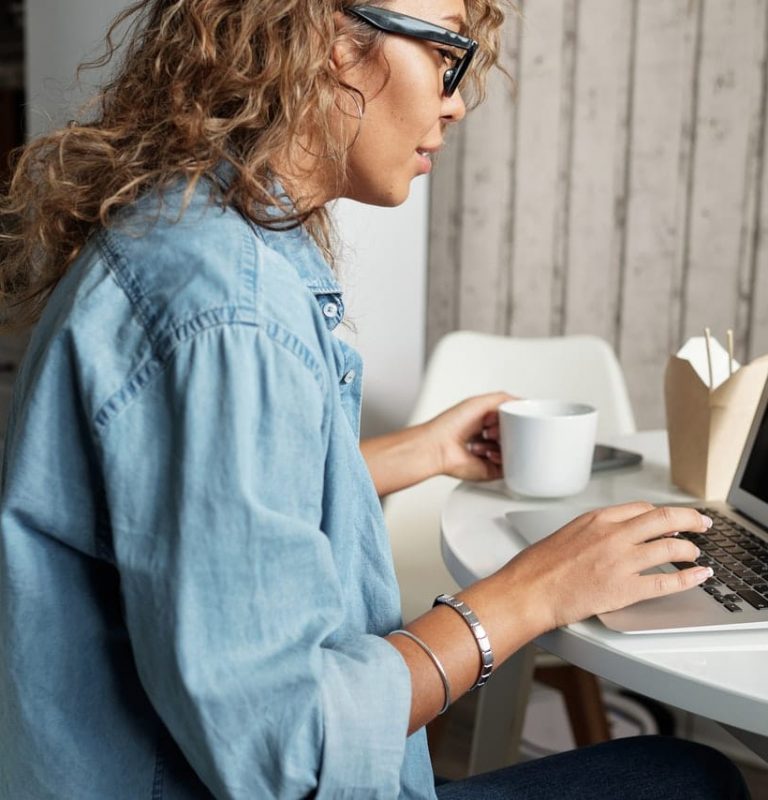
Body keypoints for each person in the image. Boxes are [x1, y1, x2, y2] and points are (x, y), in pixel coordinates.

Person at [0, 1, 751, 798]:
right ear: (327, 39)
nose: (456, 98)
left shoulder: (192, 233)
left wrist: (423, 451)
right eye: (447, 50)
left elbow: (205, 520)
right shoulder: (230, 312)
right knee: (692, 782)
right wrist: (533, 593)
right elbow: (288, 748)